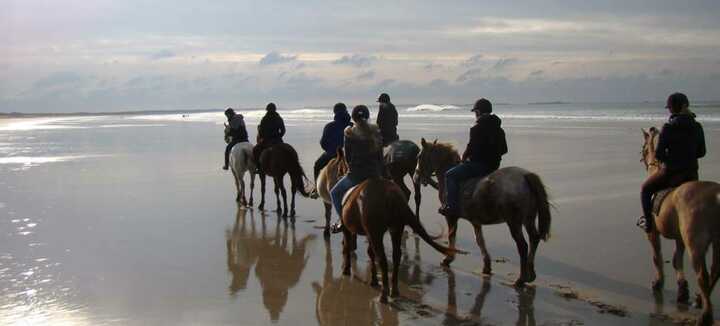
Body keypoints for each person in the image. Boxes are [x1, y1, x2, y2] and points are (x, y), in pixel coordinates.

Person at [639, 92, 706, 233]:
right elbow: (702, 152)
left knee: (645, 189)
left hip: (671, 174)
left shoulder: (668, 128)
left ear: (671, 109)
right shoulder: (698, 126)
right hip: (692, 174)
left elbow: (659, 155)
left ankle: (649, 224)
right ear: (686, 105)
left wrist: (672, 158)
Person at [439, 98, 508, 218]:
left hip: (479, 166)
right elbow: (504, 150)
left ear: (479, 112)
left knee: (450, 175)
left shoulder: (476, 128)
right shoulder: (499, 129)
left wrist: (463, 158)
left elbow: (470, 148)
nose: (475, 115)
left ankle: (451, 207)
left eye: (475, 112)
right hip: (495, 166)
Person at [329, 105, 384, 233]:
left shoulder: (349, 132)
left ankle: (342, 221)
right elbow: (380, 157)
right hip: (375, 174)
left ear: (353, 117)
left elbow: (347, 158)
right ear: (368, 116)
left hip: (356, 175)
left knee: (334, 193)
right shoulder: (376, 131)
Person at [313, 103, 353, 180]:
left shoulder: (329, 126)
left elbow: (323, 143)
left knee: (317, 166)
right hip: (349, 157)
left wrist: (330, 150)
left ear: (335, 112)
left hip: (331, 155)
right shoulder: (352, 125)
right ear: (346, 111)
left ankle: (317, 190)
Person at [253, 103, 286, 169]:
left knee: (255, 150)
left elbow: (261, 131)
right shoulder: (279, 118)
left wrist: (262, 137)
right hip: (278, 140)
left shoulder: (264, 119)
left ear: (267, 110)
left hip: (267, 140)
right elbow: (283, 130)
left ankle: (258, 167)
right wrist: (279, 136)